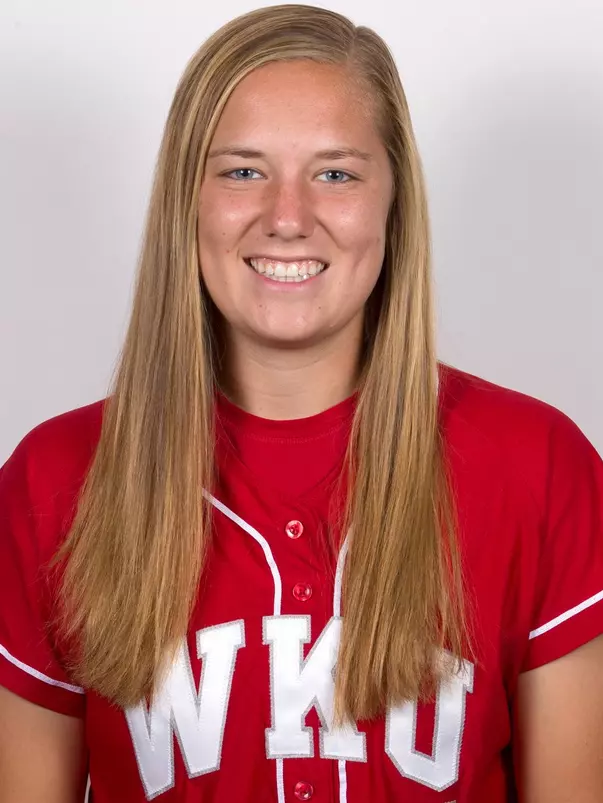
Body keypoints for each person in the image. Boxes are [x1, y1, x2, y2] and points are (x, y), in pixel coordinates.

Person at [1, 4, 602, 802]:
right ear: (186, 198)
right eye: (242, 171)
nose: (287, 218)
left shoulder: (539, 465)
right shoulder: (53, 478)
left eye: (335, 173)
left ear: (393, 200)